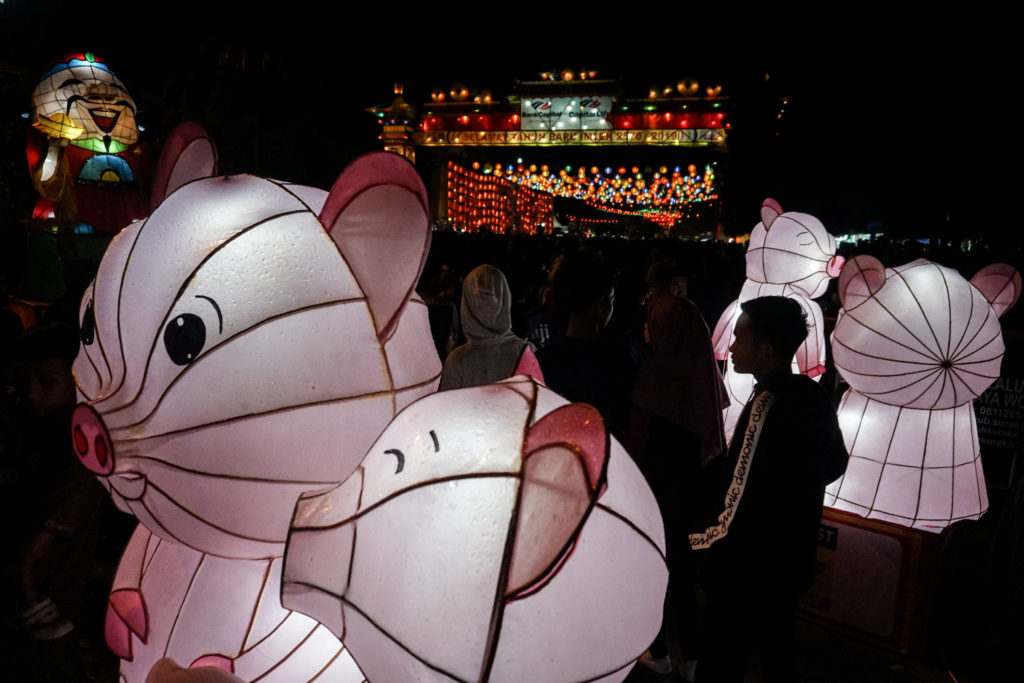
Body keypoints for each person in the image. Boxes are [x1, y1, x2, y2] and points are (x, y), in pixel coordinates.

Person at [689, 296, 847, 683]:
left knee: (721, 663)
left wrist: (698, 543)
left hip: (747, 570)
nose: (731, 346)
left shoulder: (766, 403)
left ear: (767, 349)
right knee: (777, 653)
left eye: (741, 338)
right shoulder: (813, 395)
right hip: (790, 561)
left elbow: (735, 497)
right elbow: (836, 463)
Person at [630, 291, 728, 679]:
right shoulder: (704, 375)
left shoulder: (654, 378)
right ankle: (691, 659)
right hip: (695, 498)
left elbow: (638, 445)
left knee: (655, 575)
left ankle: (657, 652)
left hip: (656, 496)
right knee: (685, 580)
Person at [439, 264, 536, 390]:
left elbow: (449, 408)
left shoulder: (456, 362)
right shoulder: (527, 351)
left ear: (467, 303)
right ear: (506, 297)